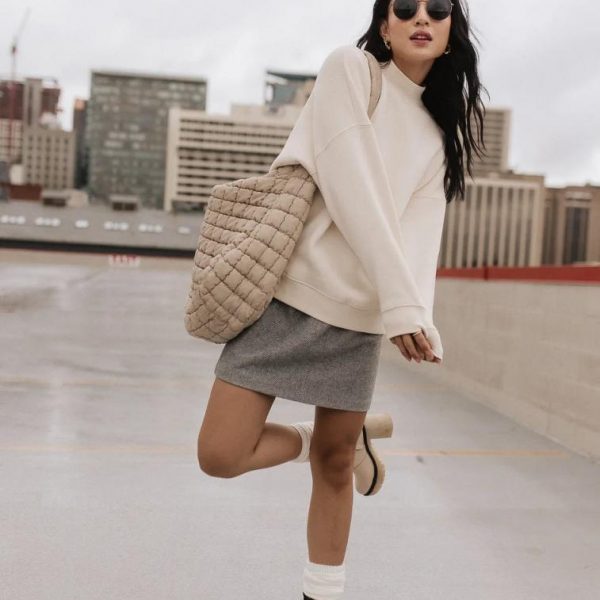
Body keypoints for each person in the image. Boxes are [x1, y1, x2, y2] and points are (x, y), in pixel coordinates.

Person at [197, 0, 487, 598]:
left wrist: (417, 314)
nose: (421, 17)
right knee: (220, 455)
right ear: (384, 25)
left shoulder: (436, 133)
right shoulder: (350, 71)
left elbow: (419, 233)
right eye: (405, 7)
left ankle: (322, 589)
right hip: (287, 296)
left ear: (451, 32)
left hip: (358, 317)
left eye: (437, 9)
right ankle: (326, 439)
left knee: (334, 469)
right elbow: (353, 184)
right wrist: (400, 301)